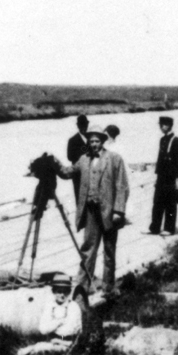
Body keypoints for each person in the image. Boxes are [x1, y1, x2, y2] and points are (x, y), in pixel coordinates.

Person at [70, 128, 129, 302]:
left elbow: (122, 186)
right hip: (91, 213)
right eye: (91, 141)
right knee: (88, 249)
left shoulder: (115, 159)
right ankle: (82, 287)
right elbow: (68, 172)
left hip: (109, 213)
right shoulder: (83, 159)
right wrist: (52, 164)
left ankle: (108, 287)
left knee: (109, 251)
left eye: (97, 141)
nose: (94, 144)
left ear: (102, 142)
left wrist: (119, 211)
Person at [149, 115, 178, 235]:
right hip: (161, 176)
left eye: (163, 125)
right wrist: (157, 175)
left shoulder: (176, 141)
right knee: (157, 202)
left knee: (170, 203)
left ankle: (169, 228)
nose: (161, 127)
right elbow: (160, 159)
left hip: (170, 176)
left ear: (169, 126)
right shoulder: (162, 140)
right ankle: (154, 227)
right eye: (160, 125)